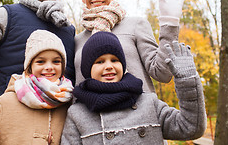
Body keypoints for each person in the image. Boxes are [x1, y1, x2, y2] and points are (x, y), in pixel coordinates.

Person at [61, 31, 206, 144]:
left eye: (115, 60)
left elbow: (190, 127)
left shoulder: (148, 103)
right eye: (99, 62)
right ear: (88, 69)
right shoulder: (78, 113)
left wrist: (187, 82)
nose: (109, 66)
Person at [73, 0, 185, 92]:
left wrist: (169, 24)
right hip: (93, 110)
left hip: (138, 109)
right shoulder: (77, 40)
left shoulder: (135, 25)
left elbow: (162, 73)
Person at [0, 30, 73, 144]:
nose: (49, 67)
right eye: (40, 61)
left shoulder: (69, 102)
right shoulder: (5, 103)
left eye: (56, 61)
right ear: (29, 66)